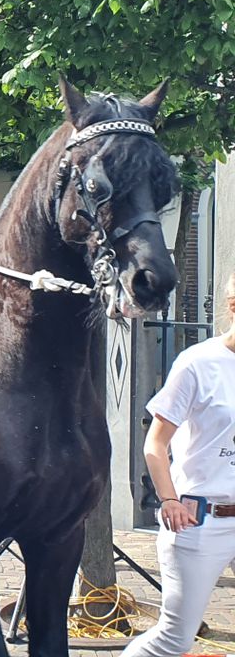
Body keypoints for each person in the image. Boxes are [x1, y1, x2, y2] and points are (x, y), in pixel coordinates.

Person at [122, 272, 235, 657]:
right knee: (174, 639)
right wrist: (168, 500)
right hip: (200, 520)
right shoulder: (198, 363)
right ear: (233, 306)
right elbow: (155, 442)